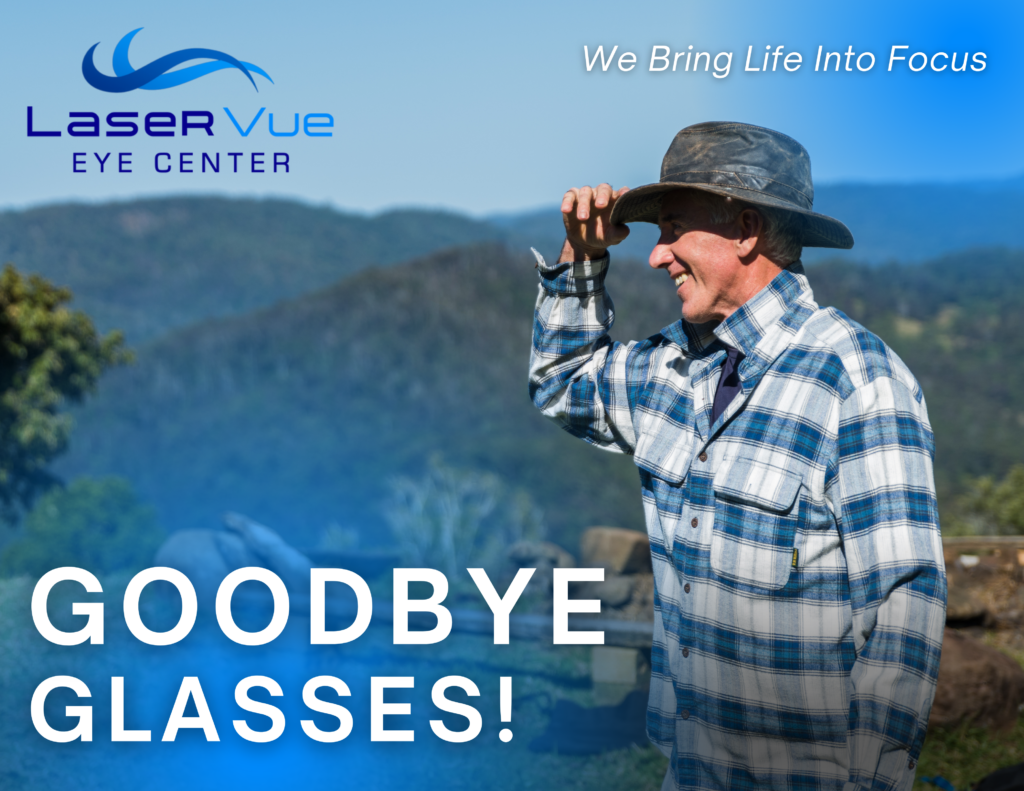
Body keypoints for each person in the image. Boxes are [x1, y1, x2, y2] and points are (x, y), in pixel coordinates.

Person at [528, 122, 946, 791]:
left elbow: (902, 607)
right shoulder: (665, 368)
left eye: (672, 230)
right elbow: (561, 384)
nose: (656, 256)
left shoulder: (858, 378)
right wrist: (580, 260)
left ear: (746, 230)